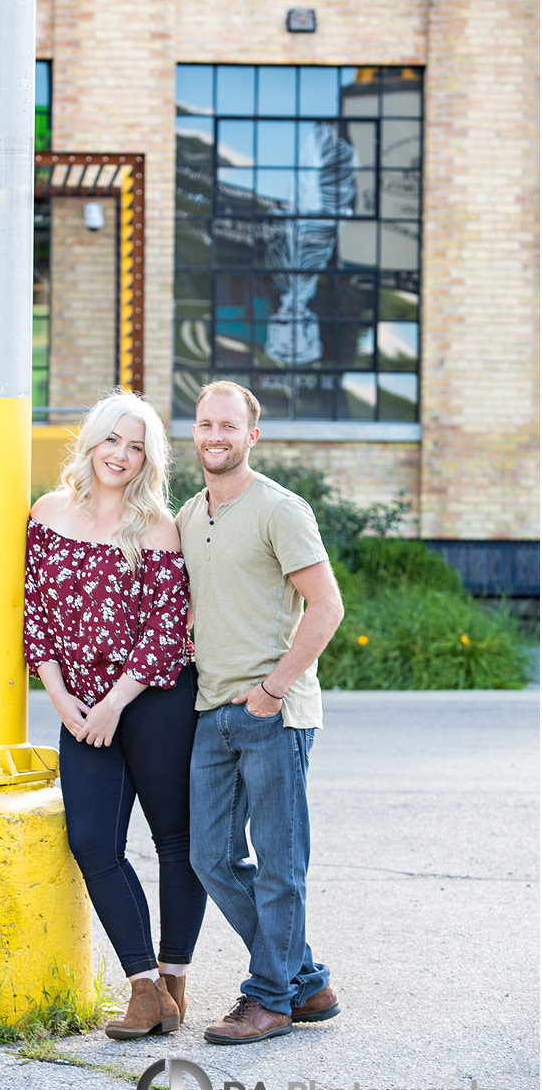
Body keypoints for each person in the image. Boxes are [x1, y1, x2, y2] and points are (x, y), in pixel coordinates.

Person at [23, 388, 207, 1040]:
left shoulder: (156, 524)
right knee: (92, 842)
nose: (120, 456)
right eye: (112, 440)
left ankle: (174, 973)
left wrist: (113, 701)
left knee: (177, 842)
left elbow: (166, 628)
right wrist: (59, 695)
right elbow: (35, 612)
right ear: (91, 441)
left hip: (153, 697)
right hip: (78, 704)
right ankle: (145, 988)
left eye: (136, 446)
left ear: (147, 459)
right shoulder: (47, 514)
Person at [175, 380, 344, 1045]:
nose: (214, 436)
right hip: (211, 710)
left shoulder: (280, 509)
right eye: (204, 424)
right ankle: (303, 979)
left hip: (273, 713)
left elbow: (326, 607)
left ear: (251, 436)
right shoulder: (190, 514)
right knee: (210, 857)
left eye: (228, 426)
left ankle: (269, 997)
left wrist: (272, 688)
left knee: (278, 861)